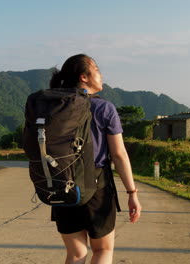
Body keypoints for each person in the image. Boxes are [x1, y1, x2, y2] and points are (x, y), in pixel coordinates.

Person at [49, 54, 142, 264]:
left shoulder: (56, 107)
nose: (101, 75)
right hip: (97, 187)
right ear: (84, 77)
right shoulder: (104, 108)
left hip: (62, 186)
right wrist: (132, 193)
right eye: (97, 70)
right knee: (102, 250)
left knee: (75, 254)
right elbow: (119, 154)